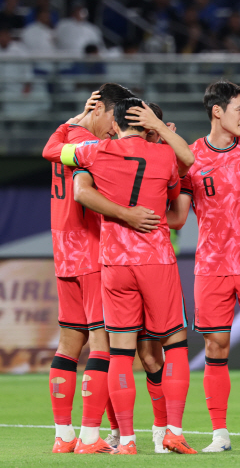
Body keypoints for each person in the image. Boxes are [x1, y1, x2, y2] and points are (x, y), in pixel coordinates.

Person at [53, 98, 196, 455]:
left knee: (119, 352)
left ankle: (126, 441)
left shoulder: (96, 150)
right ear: (148, 124)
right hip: (155, 259)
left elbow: (54, 153)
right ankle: (172, 432)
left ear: (115, 123)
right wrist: (161, 134)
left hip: (114, 263)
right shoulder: (164, 156)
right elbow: (189, 165)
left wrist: (78, 118)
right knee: (173, 344)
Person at [167, 80, 240, 452]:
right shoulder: (190, 157)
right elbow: (178, 218)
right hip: (212, 265)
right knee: (216, 347)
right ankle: (219, 433)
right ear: (217, 111)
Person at [40, 85, 156, 454]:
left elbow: (49, 150)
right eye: (114, 118)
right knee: (103, 345)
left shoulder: (68, 137)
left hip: (64, 255)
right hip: (92, 255)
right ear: (101, 109)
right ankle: (90, 437)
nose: (116, 128)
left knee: (69, 344)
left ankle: (64, 435)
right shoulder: (93, 148)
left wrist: (72, 120)